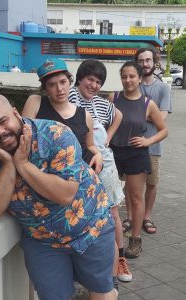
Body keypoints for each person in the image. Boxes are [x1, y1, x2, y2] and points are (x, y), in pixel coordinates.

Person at [0, 94, 117, 300]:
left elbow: (65, 194)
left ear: (15, 113)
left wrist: (22, 164)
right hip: (42, 241)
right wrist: (9, 165)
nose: (0, 132)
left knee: (101, 292)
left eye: (3, 121)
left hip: (91, 227)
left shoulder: (55, 134)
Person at [68, 59, 132, 285]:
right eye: (90, 79)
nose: (93, 85)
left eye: (98, 81)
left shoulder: (101, 103)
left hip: (104, 161)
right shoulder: (68, 97)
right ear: (80, 79)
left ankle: (120, 259)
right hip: (77, 164)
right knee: (81, 213)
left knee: (112, 212)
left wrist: (107, 138)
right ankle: (84, 266)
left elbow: (119, 116)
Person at [109, 61, 168, 258]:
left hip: (136, 154)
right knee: (109, 198)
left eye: (132, 76)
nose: (128, 80)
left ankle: (135, 239)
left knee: (136, 198)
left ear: (140, 78)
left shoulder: (147, 103)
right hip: (113, 153)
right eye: (124, 76)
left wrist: (148, 140)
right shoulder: (113, 97)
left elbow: (164, 130)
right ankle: (109, 237)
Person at [133, 48, 171, 234]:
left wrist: (141, 114)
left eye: (148, 60)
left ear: (154, 62)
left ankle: (146, 217)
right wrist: (151, 115)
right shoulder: (132, 85)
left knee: (152, 183)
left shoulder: (163, 88)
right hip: (130, 144)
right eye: (141, 61)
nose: (145, 64)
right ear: (137, 63)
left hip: (153, 144)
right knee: (131, 183)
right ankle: (131, 217)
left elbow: (162, 118)